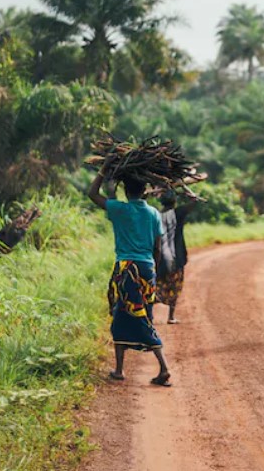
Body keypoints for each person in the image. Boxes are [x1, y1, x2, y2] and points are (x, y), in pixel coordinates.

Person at [88, 162, 172, 386]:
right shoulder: (154, 213)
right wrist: (153, 269)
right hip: (146, 269)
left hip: (126, 269)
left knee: (127, 316)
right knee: (137, 314)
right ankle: (120, 369)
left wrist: (104, 170)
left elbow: (92, 194)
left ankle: (161, 368)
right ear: (145, 190)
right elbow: (157, 246)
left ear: (126, 190)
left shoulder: (119, 209)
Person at [155, 189, 194, 324]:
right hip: (176, 257)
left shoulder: (156, 215)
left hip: (159, 256)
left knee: (157, 284)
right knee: (174, 285)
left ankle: (149, 315)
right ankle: (171, 316)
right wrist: (185, 190)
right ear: (175, 201)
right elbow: (194, 201)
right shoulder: (178, 213)